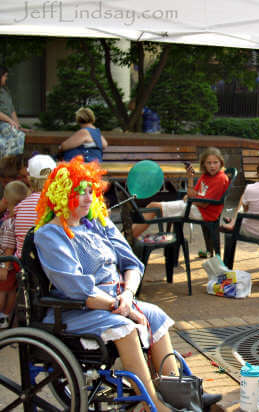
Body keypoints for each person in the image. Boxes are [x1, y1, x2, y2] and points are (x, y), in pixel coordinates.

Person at [33, 156, 221, 411]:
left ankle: (181, 394)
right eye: (81, 192)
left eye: (91, 191)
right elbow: (78, 288)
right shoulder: (50, 234)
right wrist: (121, 306)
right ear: (62, 194)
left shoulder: (97, 223)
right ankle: (153, 404)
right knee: (126, 326)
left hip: (116, 301)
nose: (90, 198)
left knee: (155, 314)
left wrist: (129, 295)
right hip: (79, 309)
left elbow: (131, 263)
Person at [132, 147, 229, 239]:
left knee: (154, 207)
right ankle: (128, 236)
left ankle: (128, 238)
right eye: (209, 163)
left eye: (215, 162)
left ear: (221, 163)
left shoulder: (220, 178)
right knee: (152, 206)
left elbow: (204, 204)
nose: (212, 166)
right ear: (204, 164)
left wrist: (189, 199)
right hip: (193, 206)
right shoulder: (205, 176)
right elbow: (192, 194)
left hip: (204, 213)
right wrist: (190, 178)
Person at [0, 180, 30, 328]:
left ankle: (2, 315)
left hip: (7, 263)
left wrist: (4, 266)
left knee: (2, 290)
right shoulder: (22, 217)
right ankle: (6, 316)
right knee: (11, 291)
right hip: (17, 263)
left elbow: (8, 248)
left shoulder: (9, 223)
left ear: (6, 200)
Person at [14, 154, 56, 258]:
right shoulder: (58, 205)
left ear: (29, 179)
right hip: (49, 264)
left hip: (24, 265)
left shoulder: (20, 207)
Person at [0, 66, 28, 158]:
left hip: (8, 123)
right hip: (2, 123)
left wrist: (18, 125)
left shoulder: (5, 91)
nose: (6, 78)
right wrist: (10, 121)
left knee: (20, 134)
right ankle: (5, 161)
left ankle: (10, 161)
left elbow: (12, 110)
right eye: (5, 76)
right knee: (15, 136)